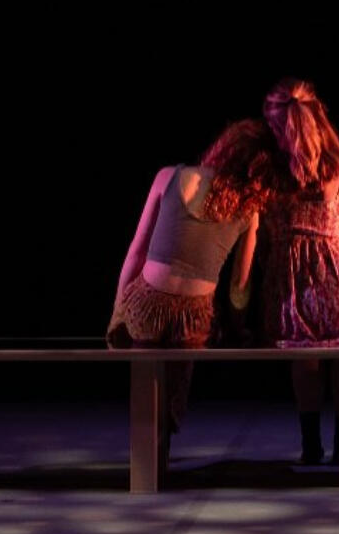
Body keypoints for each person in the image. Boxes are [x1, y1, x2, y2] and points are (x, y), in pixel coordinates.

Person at [107, 118, 280, 463]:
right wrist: (238, 328)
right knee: (176, 381)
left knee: (146, 378)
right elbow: (239, 284)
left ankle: (148, 447)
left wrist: (117, 311)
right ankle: (164, 435)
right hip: (194, 313)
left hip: (146, 302)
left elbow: (136, 252)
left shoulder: (169, 176)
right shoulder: (249, 208)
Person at [261, 78, 339, 465]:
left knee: (304, 359)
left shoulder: (269, 176)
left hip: (289, 298)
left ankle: (311, 446)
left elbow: (262, 243)